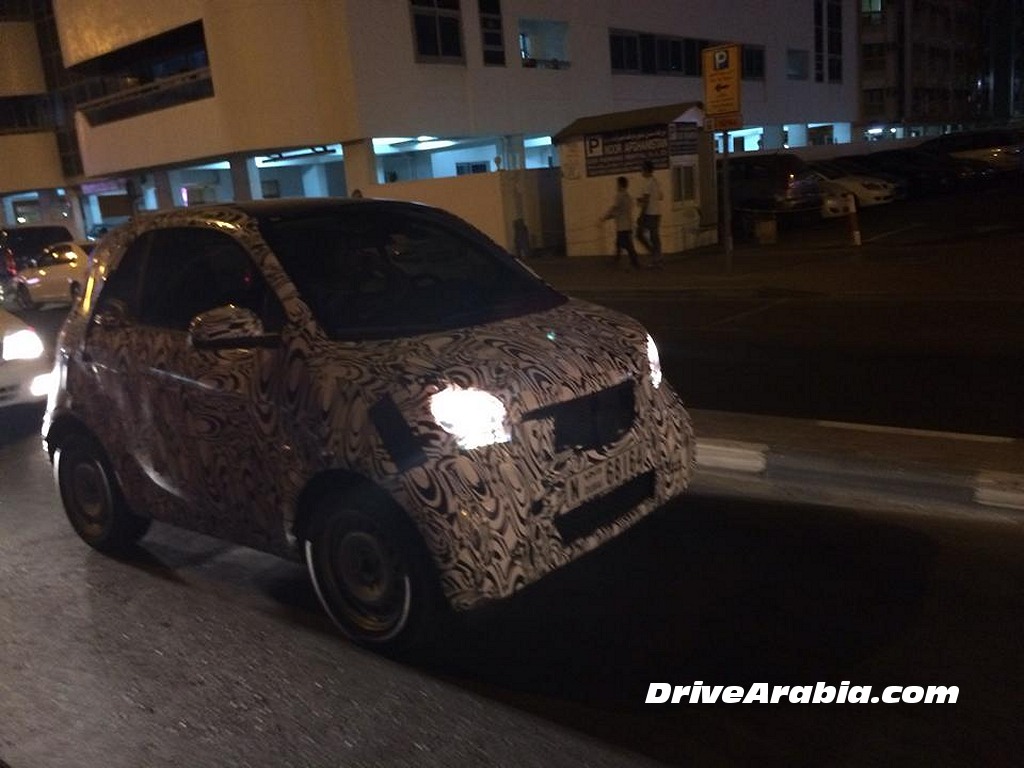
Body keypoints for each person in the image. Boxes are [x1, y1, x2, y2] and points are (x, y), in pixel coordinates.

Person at [601, 175, 640, 269]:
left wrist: (605, 217)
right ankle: (617, 260)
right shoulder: (629, 197)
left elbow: (614, 209)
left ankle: (634, 262)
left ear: (620, 185)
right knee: (620, 244)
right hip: (627, 224)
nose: (616, 186)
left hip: (622, 226)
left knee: (627, 245)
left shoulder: (619, 196)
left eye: (617, 184)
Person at [636, 159, 664, 267]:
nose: (640, 171)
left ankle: (655, 255)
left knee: (640, 234)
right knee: (654, 236)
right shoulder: (655, 181)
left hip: (650, 213)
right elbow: (661, 196)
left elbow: (647, 201)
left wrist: (641, 215)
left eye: (642, 168)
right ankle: (657, 256)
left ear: (646, 170)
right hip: (657, 212)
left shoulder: (647, 183)